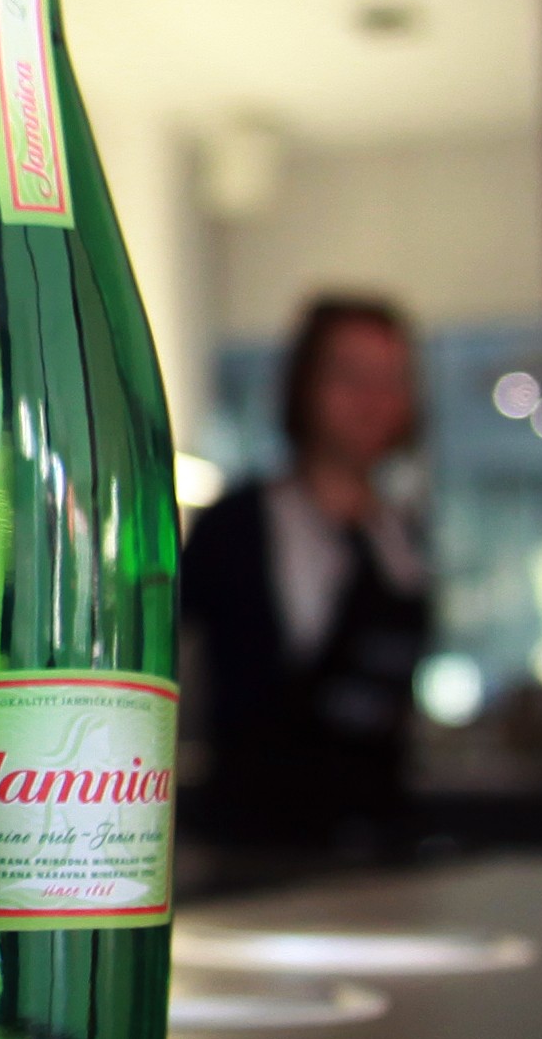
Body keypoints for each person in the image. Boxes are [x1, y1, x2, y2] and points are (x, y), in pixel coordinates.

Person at [182, 295, 434, 856]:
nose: (373, 399)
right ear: (303, 385)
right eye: (351, 376)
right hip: (253, 849)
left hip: (381, 844)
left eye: (391, 379)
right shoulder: (237, 526)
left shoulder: (404, 538)